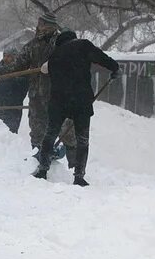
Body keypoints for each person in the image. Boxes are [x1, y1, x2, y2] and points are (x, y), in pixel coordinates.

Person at [33, 30, 120, 186]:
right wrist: (115, 68)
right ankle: (79, 176)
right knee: (82, 139)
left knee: (50, 134)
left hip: (58, 100)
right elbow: (101, 58)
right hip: (80, 100)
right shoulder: (83, 45)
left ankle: (42, 170)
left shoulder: (54, 55)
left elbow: (49, 75)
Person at [0, 12, 60, 149]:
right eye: (39, 24)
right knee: (36, 128)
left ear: (52, 27)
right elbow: (17, 65)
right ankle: (37, 155)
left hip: (55, 93)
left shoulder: (61, 43)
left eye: (43, 25)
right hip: (36, 95)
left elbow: (69, 61)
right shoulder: (32, 45)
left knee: (55, 125)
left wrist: (54, 64)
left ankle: (60, 157)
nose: (40, 27)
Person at [0, 49, 29, 133]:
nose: (5, 58)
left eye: (9, 56)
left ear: (15, 58)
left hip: (13, 110)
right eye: (4, 56)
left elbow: (23, 91)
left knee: (9, 136)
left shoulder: (22, 73)